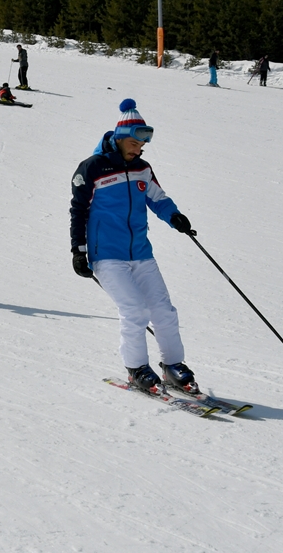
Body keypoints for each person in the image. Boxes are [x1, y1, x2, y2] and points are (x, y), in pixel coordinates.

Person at [69, 98, 199, 395]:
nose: (140, 149)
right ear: (120, 138)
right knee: (135, 310)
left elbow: (158, 198)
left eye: (143, 144)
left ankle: (173, 367)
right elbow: (78, 210)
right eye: (136, 142)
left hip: (141, 252)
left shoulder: (142, 168)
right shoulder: (92, 168)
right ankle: (137, 368)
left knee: (164, 310)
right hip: (108, 256)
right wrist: (78, 250)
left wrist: (174, 216)